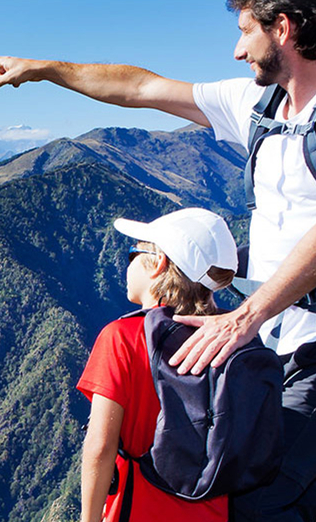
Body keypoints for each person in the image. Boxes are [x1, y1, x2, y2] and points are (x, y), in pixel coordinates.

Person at [0, 0, 316, 522]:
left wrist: (244, 316)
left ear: (283, 28)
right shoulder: (259, 104)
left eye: (246, 30)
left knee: (250, 493)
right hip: (270, 340)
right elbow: (141, 88)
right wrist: (48, 69)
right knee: (277, 493)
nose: (237, 50)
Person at [79, 208, 239, 522]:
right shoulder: (232, 338)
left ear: (159, 263)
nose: (128, 264)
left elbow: (100, 446)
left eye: (133, 254)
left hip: (138, 508)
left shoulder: (123, 337)